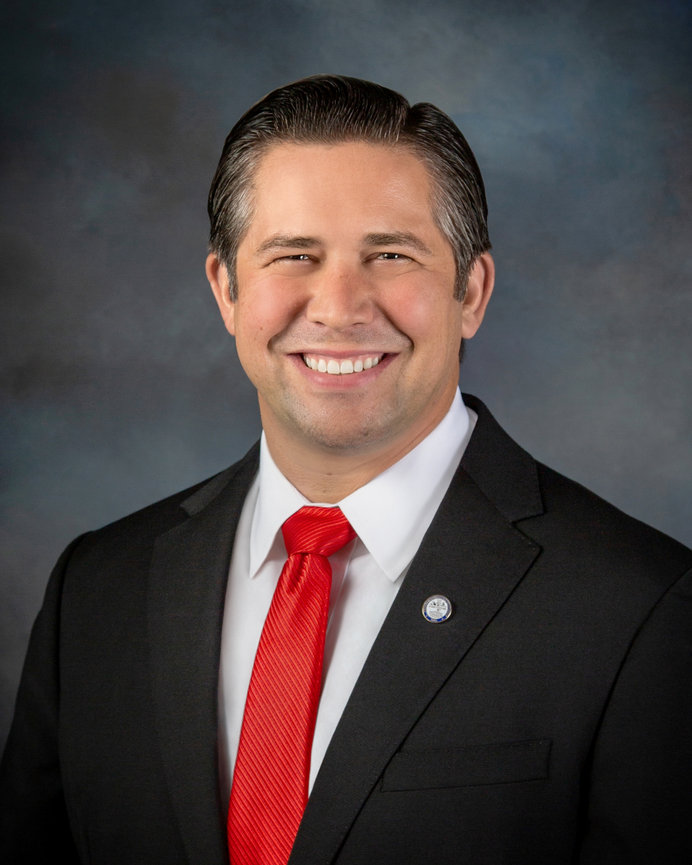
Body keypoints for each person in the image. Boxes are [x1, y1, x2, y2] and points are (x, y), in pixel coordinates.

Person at [1, 75, 690, 865]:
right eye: (294, 255)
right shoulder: (96, 591)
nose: (338, 306)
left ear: (471, 290)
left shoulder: (645, 611)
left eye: (390, 254)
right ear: (226, 290)